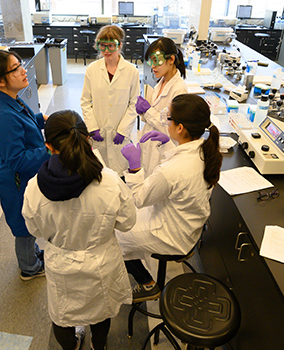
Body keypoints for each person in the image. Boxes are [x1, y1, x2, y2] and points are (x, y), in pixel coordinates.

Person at [22, 110, 136, 350]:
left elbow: (34, 229)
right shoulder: (110, 181)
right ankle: (98, 345)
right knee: (101, 310)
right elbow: (127, 222)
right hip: (101, 263)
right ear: (87, 140)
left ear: (49, 146)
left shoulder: (34, 188)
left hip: (62, 265)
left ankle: (71, 346)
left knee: (63, 315)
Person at [117, 94, 223, 303]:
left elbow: (139, 198)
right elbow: (180, 173)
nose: (165, 120)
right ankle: (145, 273)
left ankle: (147, 283)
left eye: (168, 117)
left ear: (181, 127)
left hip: (171, 234)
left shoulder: (171, 171)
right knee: (125, 218)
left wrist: (134, 167)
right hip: (185, 225)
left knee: (112, 235)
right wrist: (167, 144)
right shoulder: (205, 150)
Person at [0, 49, 50, 280]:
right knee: (23, 227)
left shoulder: (7, 99)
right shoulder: (3, 114)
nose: (23, 71)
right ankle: (29, 268)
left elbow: (23, 124)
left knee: (28, 221)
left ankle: (34, 255)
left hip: (22, 174)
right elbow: (18, 159)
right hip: (17, 179)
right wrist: (49, 150)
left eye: (21, 64)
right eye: (15, 69)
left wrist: (41, 120)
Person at [80, 24, 140, 177]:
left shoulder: (131, 71)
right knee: (100, 174)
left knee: (120, 175)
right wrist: (92, 127)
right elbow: (85, 101)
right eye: (102, 46)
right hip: (98, 131)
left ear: (119, 45)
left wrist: (123, 130)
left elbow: (134, 103)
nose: (106, 51)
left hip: (119, 134)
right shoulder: (92, 70)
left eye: (111, 46)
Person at [135, 37, 188, 177]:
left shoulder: (179, 90)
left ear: (171, 59)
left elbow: (174, 130)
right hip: (151, 148)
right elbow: (155, 116)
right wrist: (143, 112)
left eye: (156, 60)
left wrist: (148, 111)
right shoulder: (162, 81)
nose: (152, 66)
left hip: (163, 153)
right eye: (150, 61)